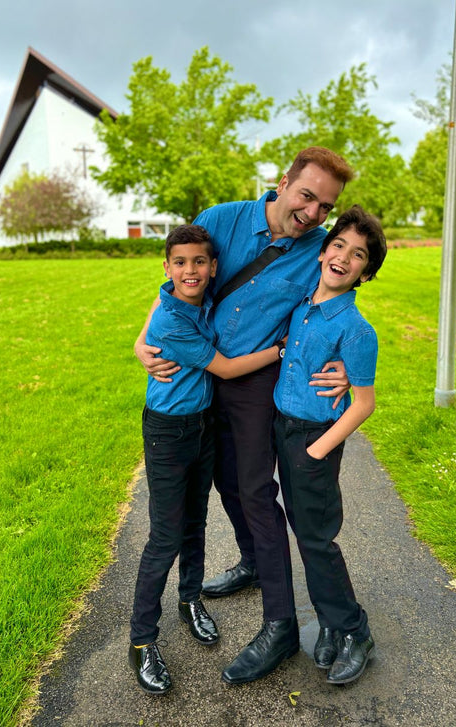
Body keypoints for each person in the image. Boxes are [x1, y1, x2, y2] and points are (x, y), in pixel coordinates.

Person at [134, 147, 354, 685]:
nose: (313, 213)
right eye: (307, 196)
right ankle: (255, 562)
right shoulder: (220, 220)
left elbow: (335, 302)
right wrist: (143, 338)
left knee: (255, 491)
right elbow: (178, 286)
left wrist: (348, 366)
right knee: (224, 485)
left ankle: (279, 623)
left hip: (254, 379)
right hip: (201, 373)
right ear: (283, 183)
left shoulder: (317, 251)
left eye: (326, 206)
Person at [129, 224, 288, 695]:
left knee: (195, 523)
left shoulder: (204, 296)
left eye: (199, 262)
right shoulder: (172, 322)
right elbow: (225, 367)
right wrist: (279, 350)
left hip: (201, 426)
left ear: (213, 267)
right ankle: (141, 641)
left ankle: (190, 599)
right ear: (166, 268)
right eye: (180, 263)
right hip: (169, 433)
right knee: (165, 536)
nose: (190, 270)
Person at [273, 205, 387, 685]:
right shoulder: (301, 307)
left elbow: (363, 404)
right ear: (322, 252)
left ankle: (353, 631)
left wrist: (316, 451)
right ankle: (328, 622)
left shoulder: (356, 329)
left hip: (314, 440)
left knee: (317, 540)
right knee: (306, 535)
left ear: (366, 271)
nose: (344, 256)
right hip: (283, 428)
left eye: (358, 254)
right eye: (338, 245)